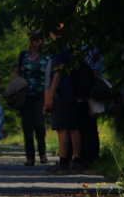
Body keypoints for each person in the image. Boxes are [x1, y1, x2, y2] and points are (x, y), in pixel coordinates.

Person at [43, 28, 98, 174]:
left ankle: (63, 161)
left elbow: (57, 73)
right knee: (74, 127)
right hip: (73, 92)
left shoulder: (58, 49)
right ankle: (77, 160)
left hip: (62, 92)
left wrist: (50, 96)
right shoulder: (71, 47)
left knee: (61, 128)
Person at [11, 30, 50, 166]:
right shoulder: (23, 56)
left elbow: (50, 74)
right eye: (32, 39)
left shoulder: (47, 56)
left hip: (41, 93)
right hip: (25, 94)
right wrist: (17, 84)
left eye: (37, 39)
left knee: (39, 124)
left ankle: (42, 152)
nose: (34, 42)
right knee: (27, 126)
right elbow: (16, 73)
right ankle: (30, 156)